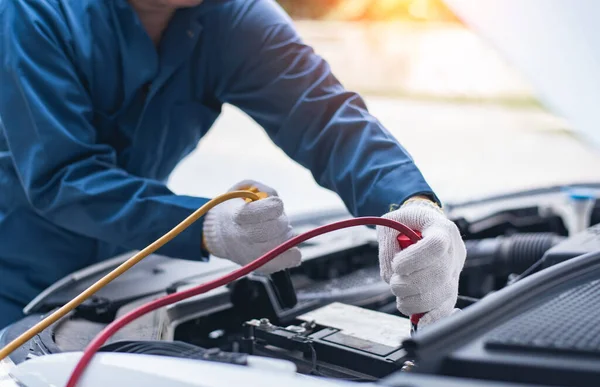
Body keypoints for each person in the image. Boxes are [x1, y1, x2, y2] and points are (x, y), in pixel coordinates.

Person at [0, 0, 466, 329]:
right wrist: (208, 225)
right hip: (12, 278)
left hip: (121, 274)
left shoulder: (231, 17)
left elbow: (326, 119)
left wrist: (414, 203)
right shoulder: (35, 11)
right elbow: (63, 175)